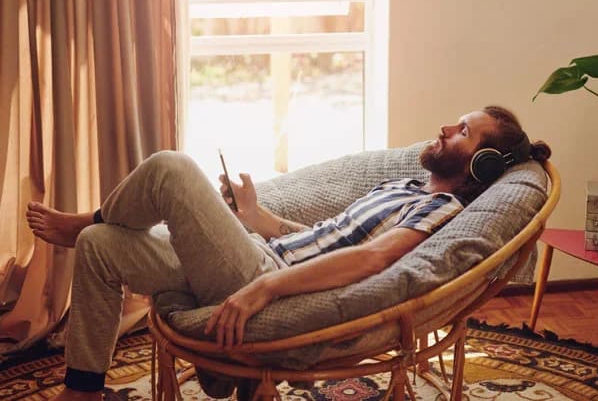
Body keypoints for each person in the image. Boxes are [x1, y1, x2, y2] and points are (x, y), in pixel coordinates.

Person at [25, 105, 550, 401]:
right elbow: (331, 236)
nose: (443, 125)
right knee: (100, 250)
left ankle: (87, 218)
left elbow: (373, 261)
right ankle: (83, 392)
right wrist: (256, 218)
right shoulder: (407, 187)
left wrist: (267, 286)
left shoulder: (442, 210)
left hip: (265, 275)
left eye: (462, 130)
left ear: (480, 165)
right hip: (259, 252)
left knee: (170, 168)